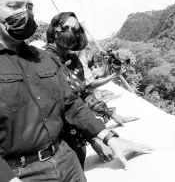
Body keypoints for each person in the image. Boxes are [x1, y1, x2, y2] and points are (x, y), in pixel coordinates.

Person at [0, 0, 153, 182]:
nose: (26, 13)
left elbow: (71, 102)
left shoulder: (42, 58)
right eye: (14, 6)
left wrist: (107, 136)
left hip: (67, 159)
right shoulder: (49, 55)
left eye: (29, 7)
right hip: (21, 172)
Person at [44, 12, 140, 168]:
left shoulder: (74, 60)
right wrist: (95, 139)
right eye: (65, 27)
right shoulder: (43, 61)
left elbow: (83, 94)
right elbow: (67, 105)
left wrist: (110, 113)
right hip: (56, 145)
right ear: (54, 29)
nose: (70, 33)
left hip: (77, 139)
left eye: (75, 30)